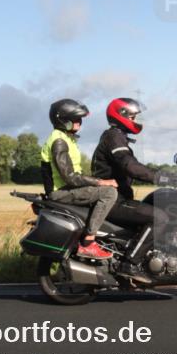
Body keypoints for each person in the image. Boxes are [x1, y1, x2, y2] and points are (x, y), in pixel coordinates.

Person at [91, 97, 173, 278]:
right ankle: (130, 264)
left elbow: (132, 166)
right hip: (113, 200)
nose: (136, 120)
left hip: (117, 197)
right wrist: (162, 177)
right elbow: (131, 166)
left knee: (155, 203)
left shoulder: (117, 137)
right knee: (159, 218)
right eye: (133, 117)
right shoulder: (114, 137)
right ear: (121, 115)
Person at [40, 99, 119, 260]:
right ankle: (89, 243)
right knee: (109, 193)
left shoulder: (66, 138)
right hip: (60, 191)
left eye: (80, 118)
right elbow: (69, 177)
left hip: (67, 188)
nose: (79, 122)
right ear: (62, 120)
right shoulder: (59, 141)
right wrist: (100, 182)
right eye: (75, 119)